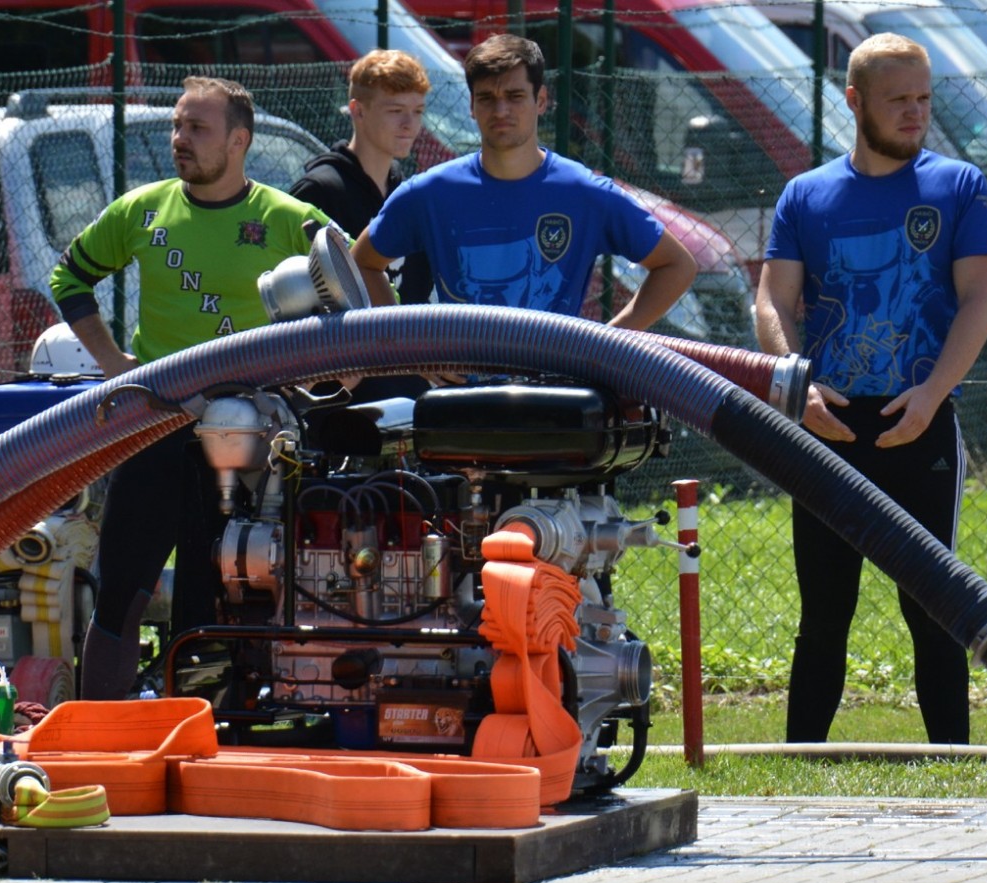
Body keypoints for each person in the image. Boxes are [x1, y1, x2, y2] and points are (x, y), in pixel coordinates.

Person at [49, 76, 331, 699]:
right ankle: (103, 724)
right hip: (155, 424)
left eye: (197, 128)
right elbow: (68, 277)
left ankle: (228, 721)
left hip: (251, 435)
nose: (180, 138)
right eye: (178, 125)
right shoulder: (141, 210)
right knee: (121, 587)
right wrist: (113, 364)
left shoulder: (288, 219)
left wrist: (317, 372)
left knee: (235, 584)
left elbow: (358, 289)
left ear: (238, 141)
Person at [756, 33, 987, 746]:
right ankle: (797, 766)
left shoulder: (959, 186)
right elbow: (771, 301)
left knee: (934, 608)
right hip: (826, 427)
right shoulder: (805, 194)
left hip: (919, 421)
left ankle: (954, 769)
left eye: (924, 98)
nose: (915, 112)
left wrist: (932, 394)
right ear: (855, 101)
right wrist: (796, 388)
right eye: (898, 100)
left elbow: (980, 299)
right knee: (824, 612)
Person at [351, 34, 695, 328]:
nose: (501, 111)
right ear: (471, 105)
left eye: (515, 97)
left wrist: (605, 346)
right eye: (487, 98)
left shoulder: (585, 194)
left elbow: (676, 265)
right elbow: (363, 263)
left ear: (540, 100)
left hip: (555, 384)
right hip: (462, 386)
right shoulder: (430, 193)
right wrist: (411, 347)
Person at [290, 48, 433, 403]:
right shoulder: (319, 192)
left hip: (408, 388)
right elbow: (298, 301)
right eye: (395, 111)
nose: (410, 124)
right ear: (358, 110)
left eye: (417, 111)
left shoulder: (409, 194)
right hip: (343, 397)